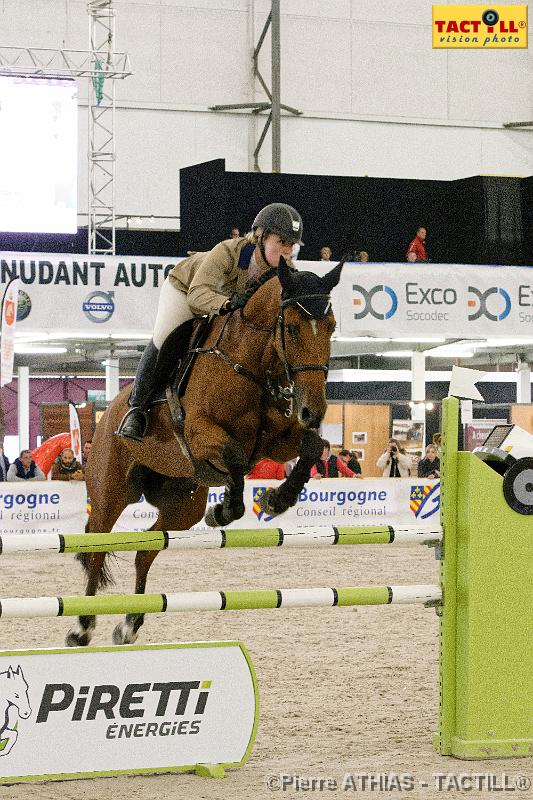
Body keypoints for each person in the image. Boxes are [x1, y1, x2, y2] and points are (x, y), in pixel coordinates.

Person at [117, 203, 304, 441]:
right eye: (282, 242)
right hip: (185, 290)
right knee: (166, 337)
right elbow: (197, 295)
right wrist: (228, 303)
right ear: (261, 236)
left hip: (223, 305)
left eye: (291, 245)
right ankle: (137, 408)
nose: (287, 251)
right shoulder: (227, 251)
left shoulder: (286, 270)